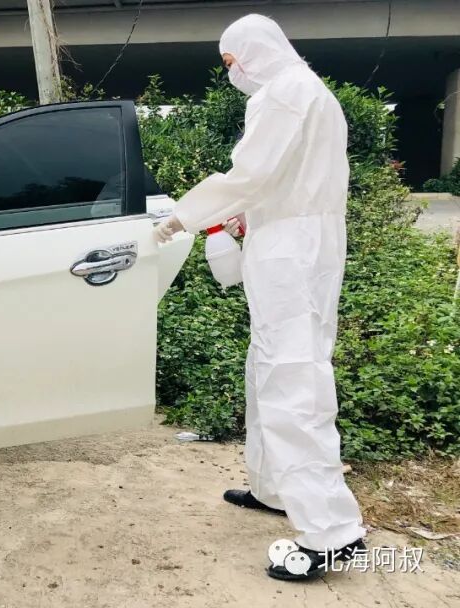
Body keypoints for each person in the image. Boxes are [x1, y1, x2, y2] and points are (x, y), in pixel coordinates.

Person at [153, 14, 367, 580]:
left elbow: (249, 175)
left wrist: (182, 217)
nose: (234, 73)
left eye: (233, 61)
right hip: (303, 239)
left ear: (256, 50)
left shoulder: (282, 94)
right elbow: (284, 180)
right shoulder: (313, 92)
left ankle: (332, 531)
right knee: (272, 365)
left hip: (290, 248)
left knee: (292, 376)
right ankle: (274, 488)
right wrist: (248, 215)